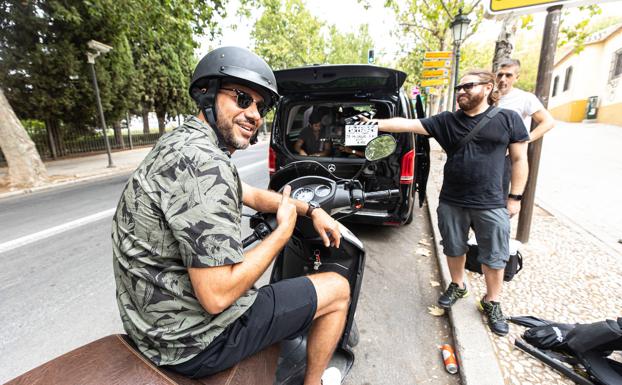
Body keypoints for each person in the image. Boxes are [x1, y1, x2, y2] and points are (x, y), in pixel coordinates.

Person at [111, 46, 348, 385]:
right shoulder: (207, 164)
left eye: (260, 106)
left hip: (151, 325)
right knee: (337, 289)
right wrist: (283, 233)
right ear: (207, 94)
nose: (254, 114)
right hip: (195, 341)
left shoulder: (182, 142)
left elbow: (249, 195)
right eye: (241, 98)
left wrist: (310, 209)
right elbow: (217, 296)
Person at [367, 69, 529, 336]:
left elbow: (520, 160)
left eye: (468, 86)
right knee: (453, 247)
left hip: (492, 202)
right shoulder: (447, 121)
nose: (461, 91)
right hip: (452, 200)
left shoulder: (508, 119)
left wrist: (516, 197)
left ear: (488, 88)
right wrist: (372, 124)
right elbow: (408, 124)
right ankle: (458, 284)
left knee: (495, 256)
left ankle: (492, 301)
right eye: (459, 88)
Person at [496, 58, 555, 195]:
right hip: (481, 153)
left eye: (508, 75)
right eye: (500, 74)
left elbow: (548, 122)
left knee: (498, 198)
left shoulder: (524, 98)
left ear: (516, 77)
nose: (503, 79)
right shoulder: (487, 94)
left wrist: (524, 140)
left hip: (504, 157)